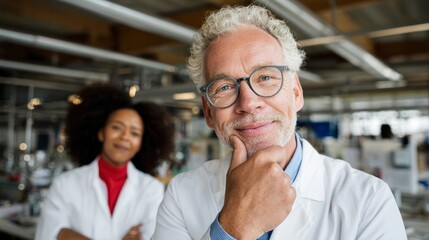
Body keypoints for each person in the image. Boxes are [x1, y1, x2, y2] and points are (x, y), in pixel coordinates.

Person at [153, 5, 407, 240]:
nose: (249, 103)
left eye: (265, 77)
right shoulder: (182, 195)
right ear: (208, 112)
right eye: (225, 86)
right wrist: (234, 226)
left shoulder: (368, 200)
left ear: (296, 92)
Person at [35, 83, 175, 240]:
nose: (125, 137)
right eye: (116, 127)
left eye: (134, 133)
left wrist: (71, 235)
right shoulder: (65, 184)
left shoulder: (151, 189)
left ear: (141, 144)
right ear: (101, 133)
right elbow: (49, 234)